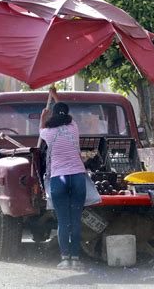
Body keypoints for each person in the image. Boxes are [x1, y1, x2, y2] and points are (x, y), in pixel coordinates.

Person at [39, 88, 87, 270]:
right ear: (67, 115)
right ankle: (75, 258)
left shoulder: (47, 133)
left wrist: (44, 116)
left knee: (63, 221)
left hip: (59, 179)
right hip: (77, 178)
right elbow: (66, 112)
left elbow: (42, 128)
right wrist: (56, 97)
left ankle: (65, 259)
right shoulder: (74, 127)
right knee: (75, 220)